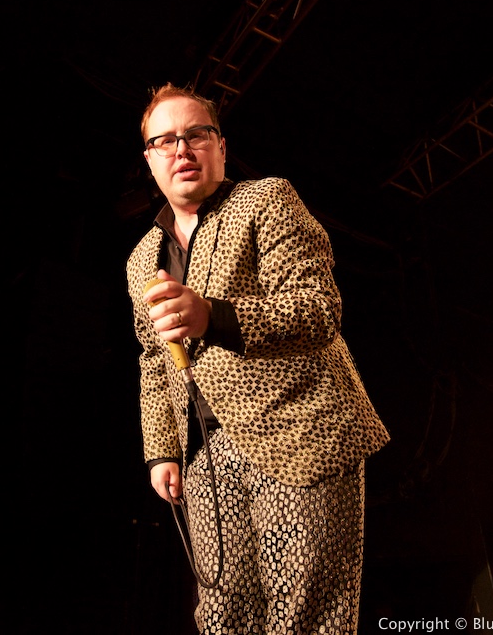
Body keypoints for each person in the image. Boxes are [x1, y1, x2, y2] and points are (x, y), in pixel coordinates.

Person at [126, 83, 390, 634]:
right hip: (205, 456)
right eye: (165, 140)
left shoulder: (265, 200)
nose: (182, 150)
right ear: (148, 159)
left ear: (221, 146)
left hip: (300, 430)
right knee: (223, 617)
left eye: (196, 134)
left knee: (305, 613)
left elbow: (318, 309)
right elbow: (153, 361)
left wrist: (212, 315)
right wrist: (161, 452)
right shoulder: (140, 259)